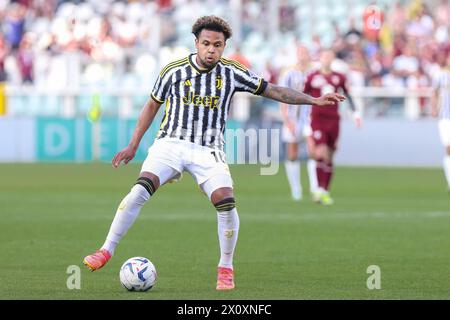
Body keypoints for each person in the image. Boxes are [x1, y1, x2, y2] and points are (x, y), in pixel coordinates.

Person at [83, 16, 345, 290]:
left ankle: (226, 267)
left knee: (226, 201)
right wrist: (134, 144)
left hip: (208, 148)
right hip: (170, 143)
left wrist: (313, 99)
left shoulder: (232, 72)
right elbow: (151, 105)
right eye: (206, 43)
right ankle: (106, 249)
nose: (211, 50)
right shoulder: (173, 71)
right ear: (196, 43)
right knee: (140, 190)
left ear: (224, 47)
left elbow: (273, 90)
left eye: (217, 45)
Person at [303, 49, 362, 205]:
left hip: (334, 119)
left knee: (329, 156)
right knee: (320, 152)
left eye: (330, 57)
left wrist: (355, 114)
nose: (327, 59)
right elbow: (303, 96)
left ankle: (325, 190)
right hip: (317, 119)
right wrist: (302, 119)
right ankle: (318, 190)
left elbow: (348, 95)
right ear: (320, 58)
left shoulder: (339, 77)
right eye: (324, 56)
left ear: (333, 59)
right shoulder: (312, 77)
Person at [279, 45, 318, 201]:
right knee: (292, 154)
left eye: (305, 52)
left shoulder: (314, 72)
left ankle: (315, 188)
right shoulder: (288, 73)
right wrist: (287, 120)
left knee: (313, 151)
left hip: (310, 118)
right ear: (297, 55)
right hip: (293, 118)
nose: (303, 55)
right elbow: (281, 95)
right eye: (300, 53)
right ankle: (296, 189)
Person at [431, 52, 450, 192]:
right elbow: (434, 92)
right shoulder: (440, 75)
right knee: (448, 148)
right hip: (445, 117)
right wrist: (433, 108)